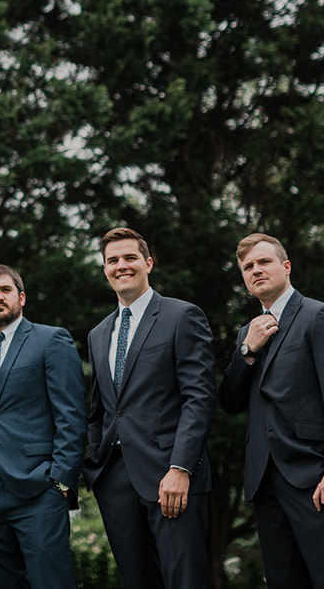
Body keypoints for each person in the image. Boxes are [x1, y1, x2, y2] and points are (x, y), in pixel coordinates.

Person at [217, 234, 324, 589]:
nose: (256, 270)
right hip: (265, 480)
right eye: (248, 267)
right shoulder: (245, 334)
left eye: (263, 262)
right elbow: (230, 401)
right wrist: (247, 351)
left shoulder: (319, 316)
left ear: (286, 267)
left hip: (314, 475)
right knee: (283, 581)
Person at [81, 228, 214, 589]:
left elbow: (198, 397)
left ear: (148, 263)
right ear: (105, 270)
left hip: (170, 476)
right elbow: (102, 410)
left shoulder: (181, 315)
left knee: (185, 580)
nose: (121, 266)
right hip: (115, 480)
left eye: (129, 257)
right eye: (112, 261)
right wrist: (96, 467)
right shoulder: (98, 334)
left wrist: (181, 466)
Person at [0, 265, 88, 589]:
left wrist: (61, 482)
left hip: (39, 490)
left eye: (5, 289)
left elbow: (72, 415)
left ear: (21, 297)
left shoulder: (51, 340)